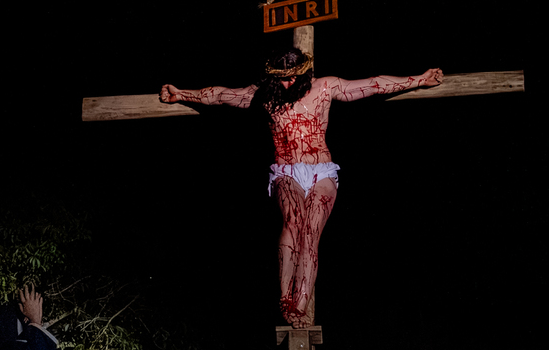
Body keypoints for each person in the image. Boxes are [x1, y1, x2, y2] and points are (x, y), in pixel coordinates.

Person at [159, 48, 444, 327]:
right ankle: (285, 300)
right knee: (292, 222)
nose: (289, 83)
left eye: (293, 77)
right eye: (282, 79)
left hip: (322, 171)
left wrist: (420, 78)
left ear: (305, 72)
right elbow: (220, 95)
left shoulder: (324, 87)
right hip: (286, 170)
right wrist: (181, 94)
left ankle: (301, 303)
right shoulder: (265, 96)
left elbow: (373, 84)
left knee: (311, 233)